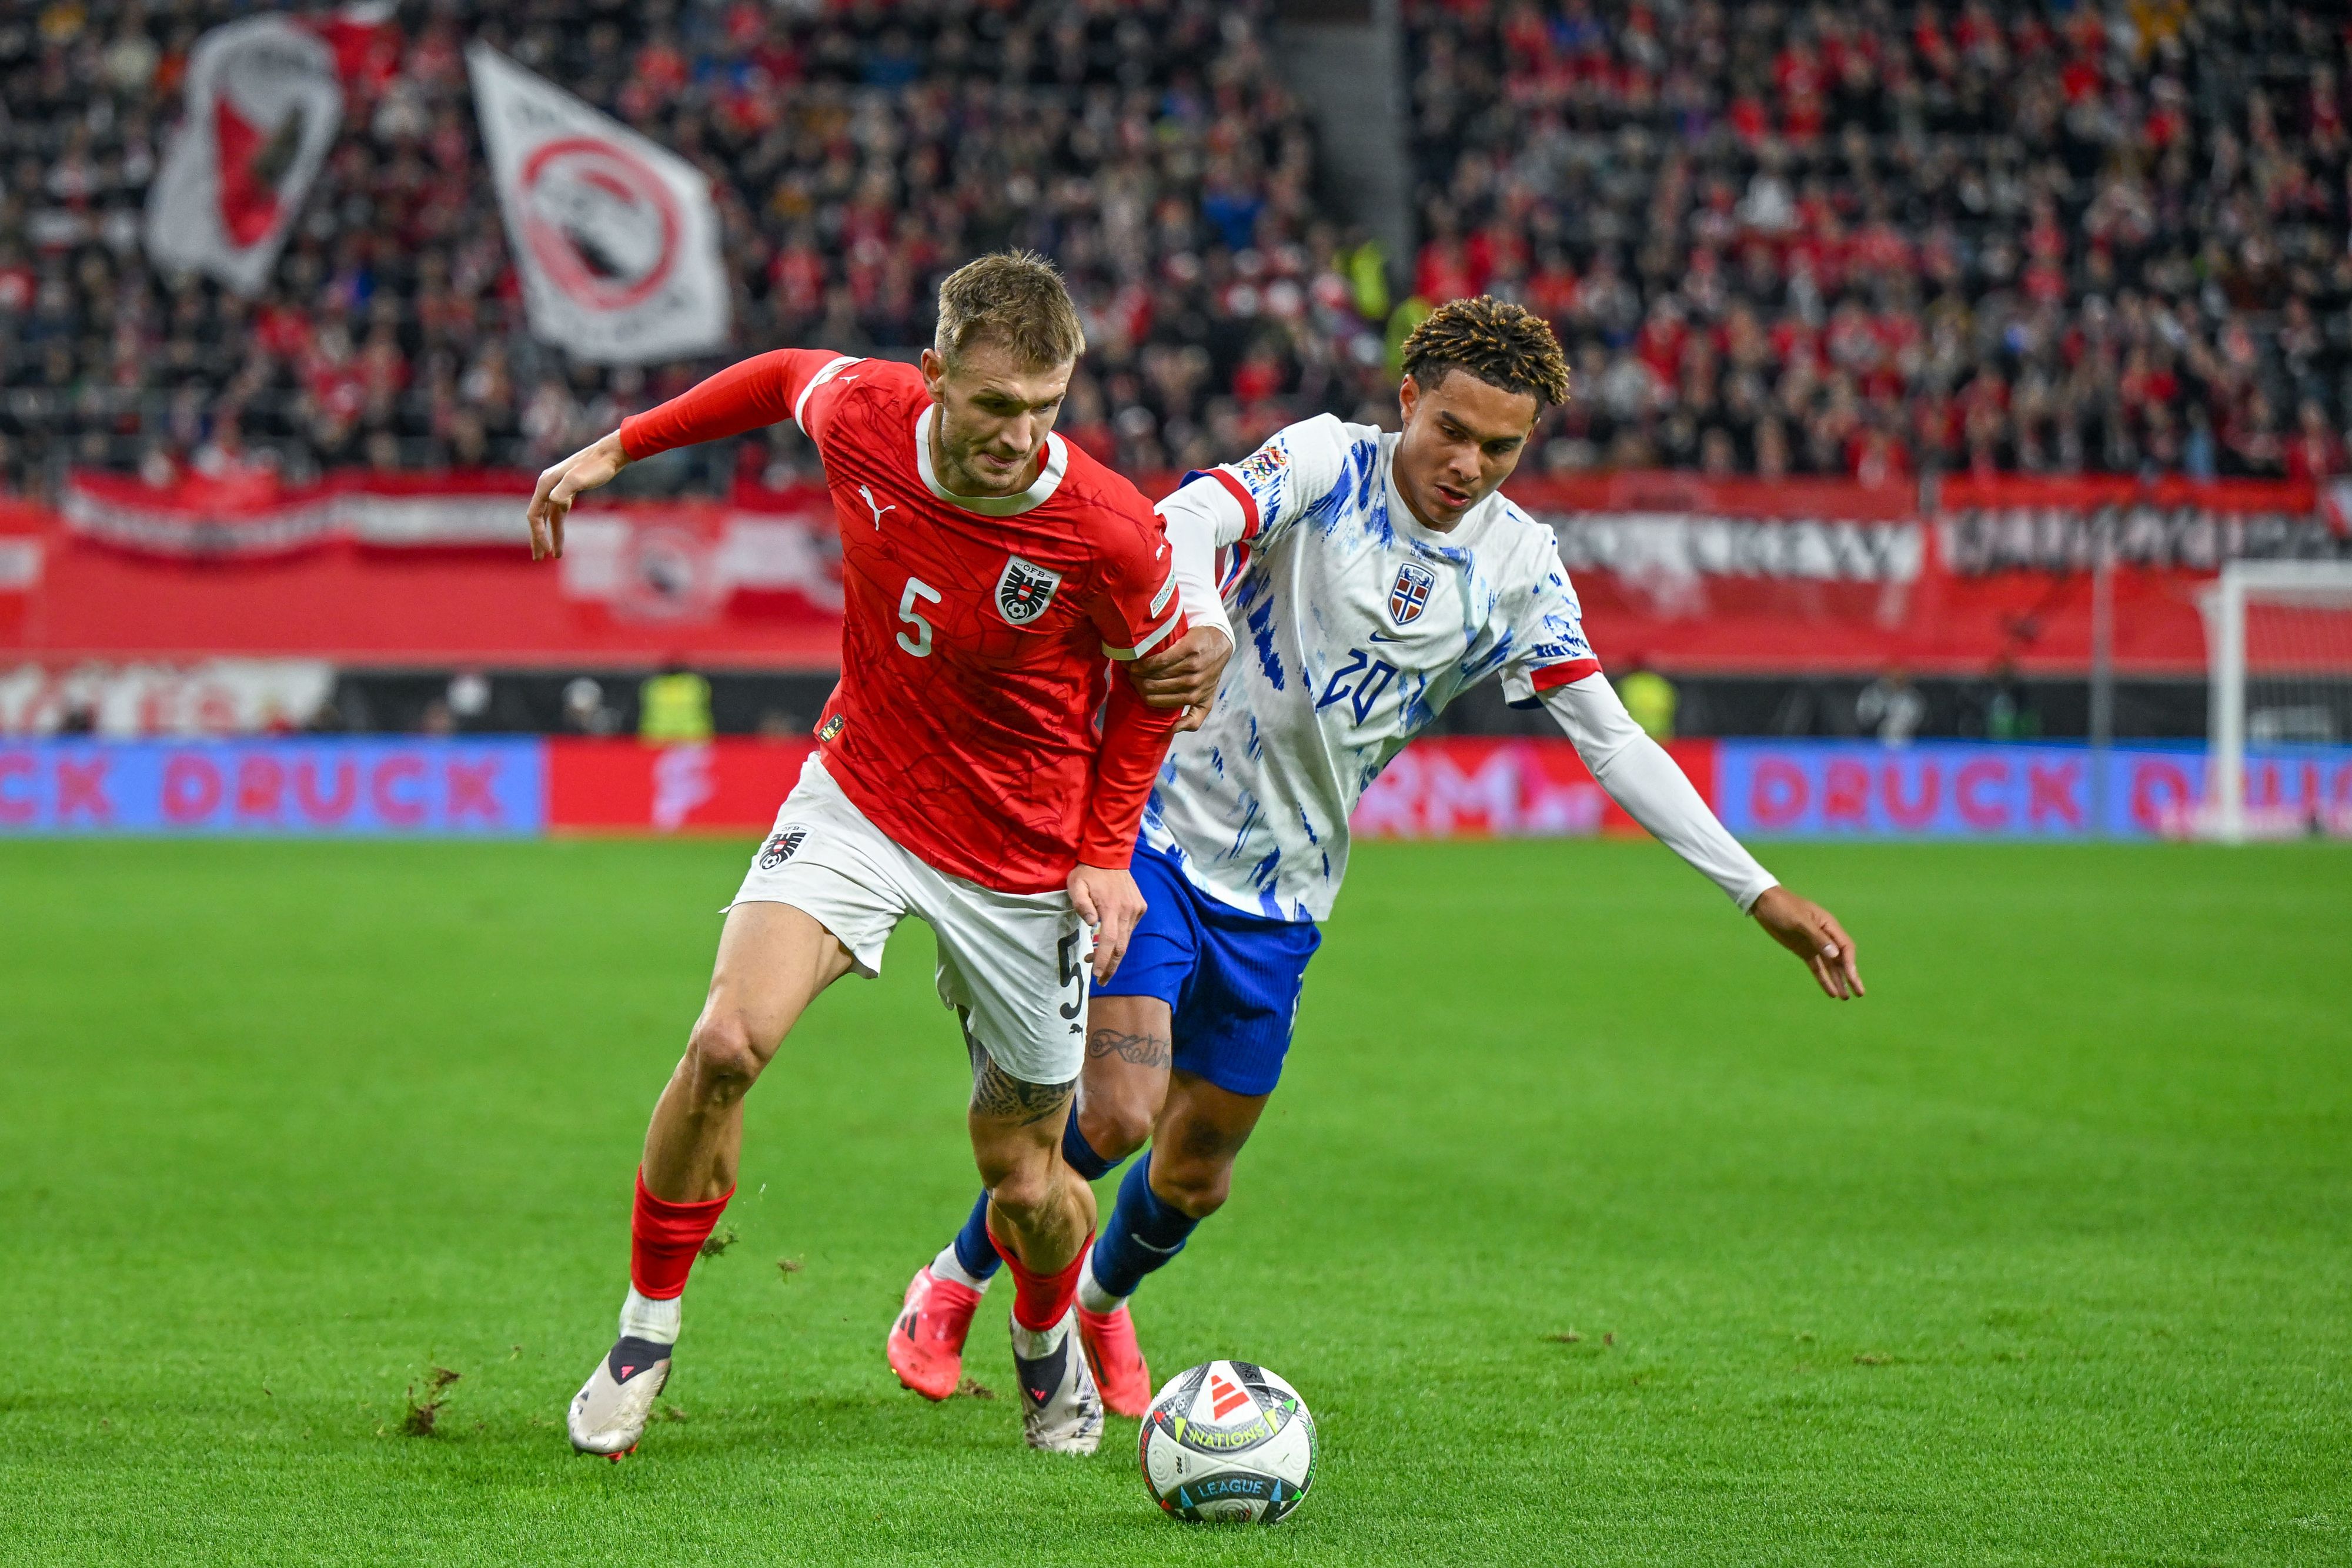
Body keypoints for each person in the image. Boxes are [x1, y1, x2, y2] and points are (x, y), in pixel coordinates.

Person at [888, 297, 1866, 1416]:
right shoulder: (1324, 462)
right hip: (1153, 832)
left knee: (1197, 1173)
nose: (1470, 463)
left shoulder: (1516, 566)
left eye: (1501, 446)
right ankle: (957, 1283)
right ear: (1409, 399)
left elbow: (1610, 735)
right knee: (1114, 1112)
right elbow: (1190, 520)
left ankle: (1105, 1300)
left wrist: (1758, 891)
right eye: (1452, 429)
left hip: (1288, 895)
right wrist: (1201, 623)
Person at [525, 252, 1228, 1461]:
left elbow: (1158, 690)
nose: (1018, 434)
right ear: (934, 375)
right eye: (993, 403)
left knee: (1025, 1176)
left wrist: (1105, 854)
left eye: (1044, 409)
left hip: (1018, 858)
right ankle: (644, 1332)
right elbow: (777, 374)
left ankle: (1041, 1331)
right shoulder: (863, 414)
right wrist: (613, 449)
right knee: (724, 1044)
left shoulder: (1105, 528)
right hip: (858, 799)